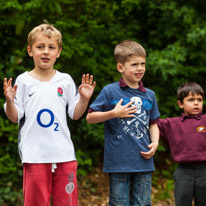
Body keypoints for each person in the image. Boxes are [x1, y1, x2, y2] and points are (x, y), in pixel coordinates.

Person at [3, 23, 96, 206]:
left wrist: (84, 100)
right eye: (40, 47)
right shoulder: (23, 81)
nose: (46, 52)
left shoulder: (66, 80)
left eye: (51, 47)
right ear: (30, 51)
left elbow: (75, 115)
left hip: (64, 155)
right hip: (35, 156)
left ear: (58, 52)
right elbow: (14, 117)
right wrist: (10, 101)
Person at [86, 40, 160, 206]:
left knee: (142, 203)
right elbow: (90, 117)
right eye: (134, 64)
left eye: (143, 64)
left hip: (144, 161)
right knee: (119, 203)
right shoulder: (110, 91)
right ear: (120, 67)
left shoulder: (150, 95)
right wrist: (114, 113)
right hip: (118, 162)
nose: (140, 68)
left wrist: (155, 143)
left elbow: (153, 123)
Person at [158, 82, 206, 206]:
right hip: (183, 171)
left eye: (199, 100)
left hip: (204, 170)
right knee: (182, 203)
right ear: (180, 104)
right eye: (191, 100)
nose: (196, 103)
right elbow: (151, 123)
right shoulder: (172, 124)